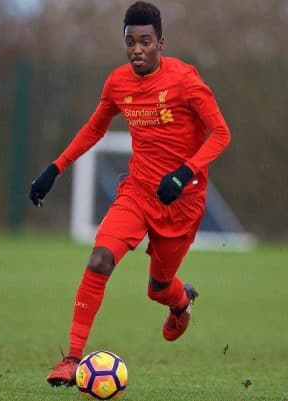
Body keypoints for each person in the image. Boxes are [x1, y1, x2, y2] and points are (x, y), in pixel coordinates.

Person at [29, 1, 231, 387]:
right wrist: (54, 169)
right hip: (137, 192)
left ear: (160, 43)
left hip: (181, 203)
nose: (137, 49)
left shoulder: (186, 81)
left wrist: (185, 172)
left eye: (145, 41)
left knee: (158, 288)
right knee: (100, 259)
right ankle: (72, 359)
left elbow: (222, 133)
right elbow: (93, 128)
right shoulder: (118, 82)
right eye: (130, 41)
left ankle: (180, 302)